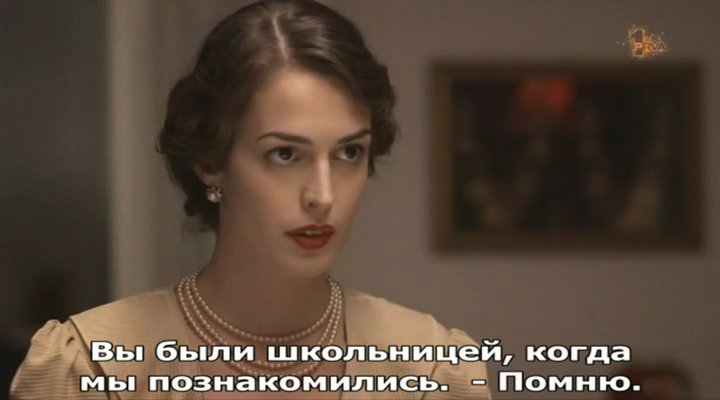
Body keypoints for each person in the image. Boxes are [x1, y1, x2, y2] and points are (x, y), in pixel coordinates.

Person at [10, 1, 491, 399]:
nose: (323, 196)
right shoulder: (91, 367)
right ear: (210, 161)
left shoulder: (429, 369)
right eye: (285, 154)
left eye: (349, 152)